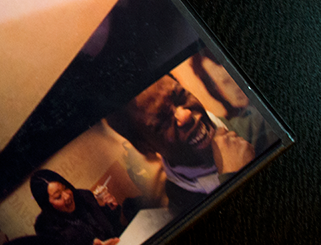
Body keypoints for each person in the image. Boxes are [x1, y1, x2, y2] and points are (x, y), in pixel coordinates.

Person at [105, 74, 263, 214]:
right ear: (144, 146)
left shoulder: (263, 127)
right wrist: (234, 180)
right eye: (163, 120)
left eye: (181, 96)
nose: (186, 115)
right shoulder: (179, 211)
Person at [28, 169, 124, 245]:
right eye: (58, 196)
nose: (67, 196)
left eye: (65, 188)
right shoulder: (45, 228)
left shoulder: (84, 196)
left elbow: (113, 229)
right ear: (47, 204)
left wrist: (110, 209)